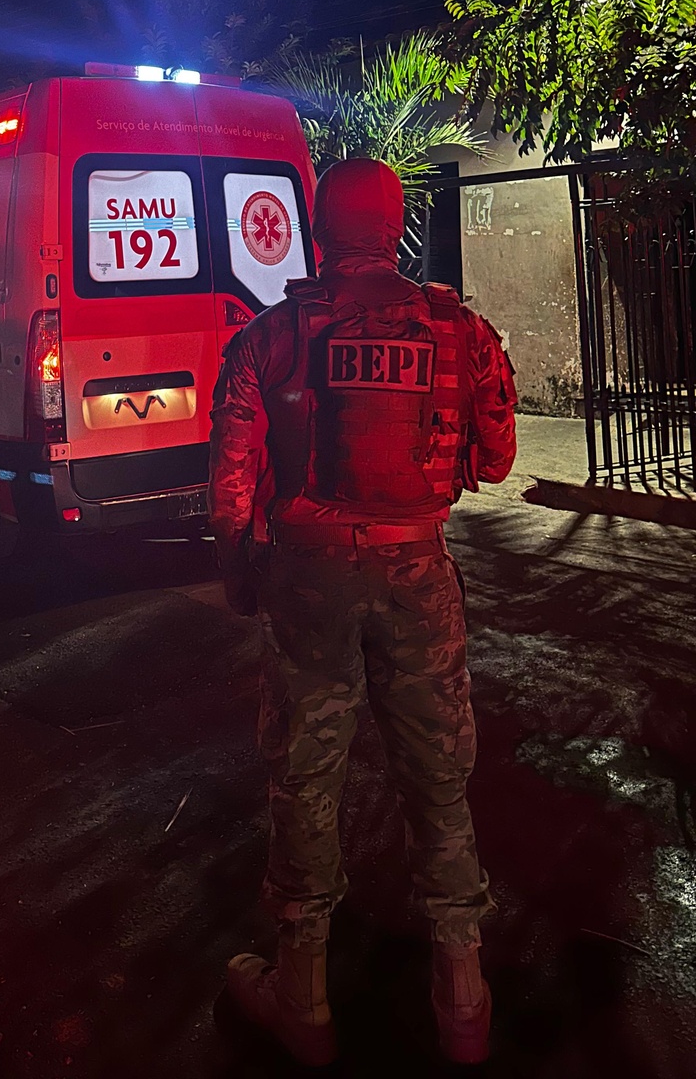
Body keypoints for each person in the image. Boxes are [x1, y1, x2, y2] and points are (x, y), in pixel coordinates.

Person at [209, 157, 516, 1067]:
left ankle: (301, 998)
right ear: (398, 226)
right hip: (419, 570)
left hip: (308, 580)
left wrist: (240, 573)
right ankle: (462, 997)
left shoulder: (268, 338)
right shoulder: (460, 332)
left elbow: (229, 486)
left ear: (317, 225)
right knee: (438, 775)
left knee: (306, 777)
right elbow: (496, 460)